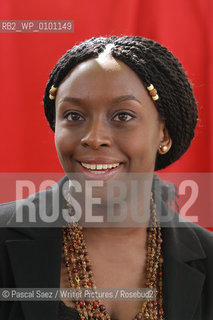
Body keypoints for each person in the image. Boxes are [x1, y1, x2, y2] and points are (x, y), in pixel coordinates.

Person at [0, 36, 213, 320]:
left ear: (163, 134)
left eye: (123, 116)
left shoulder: (208, 259)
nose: (95, 138)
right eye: (74, 116)